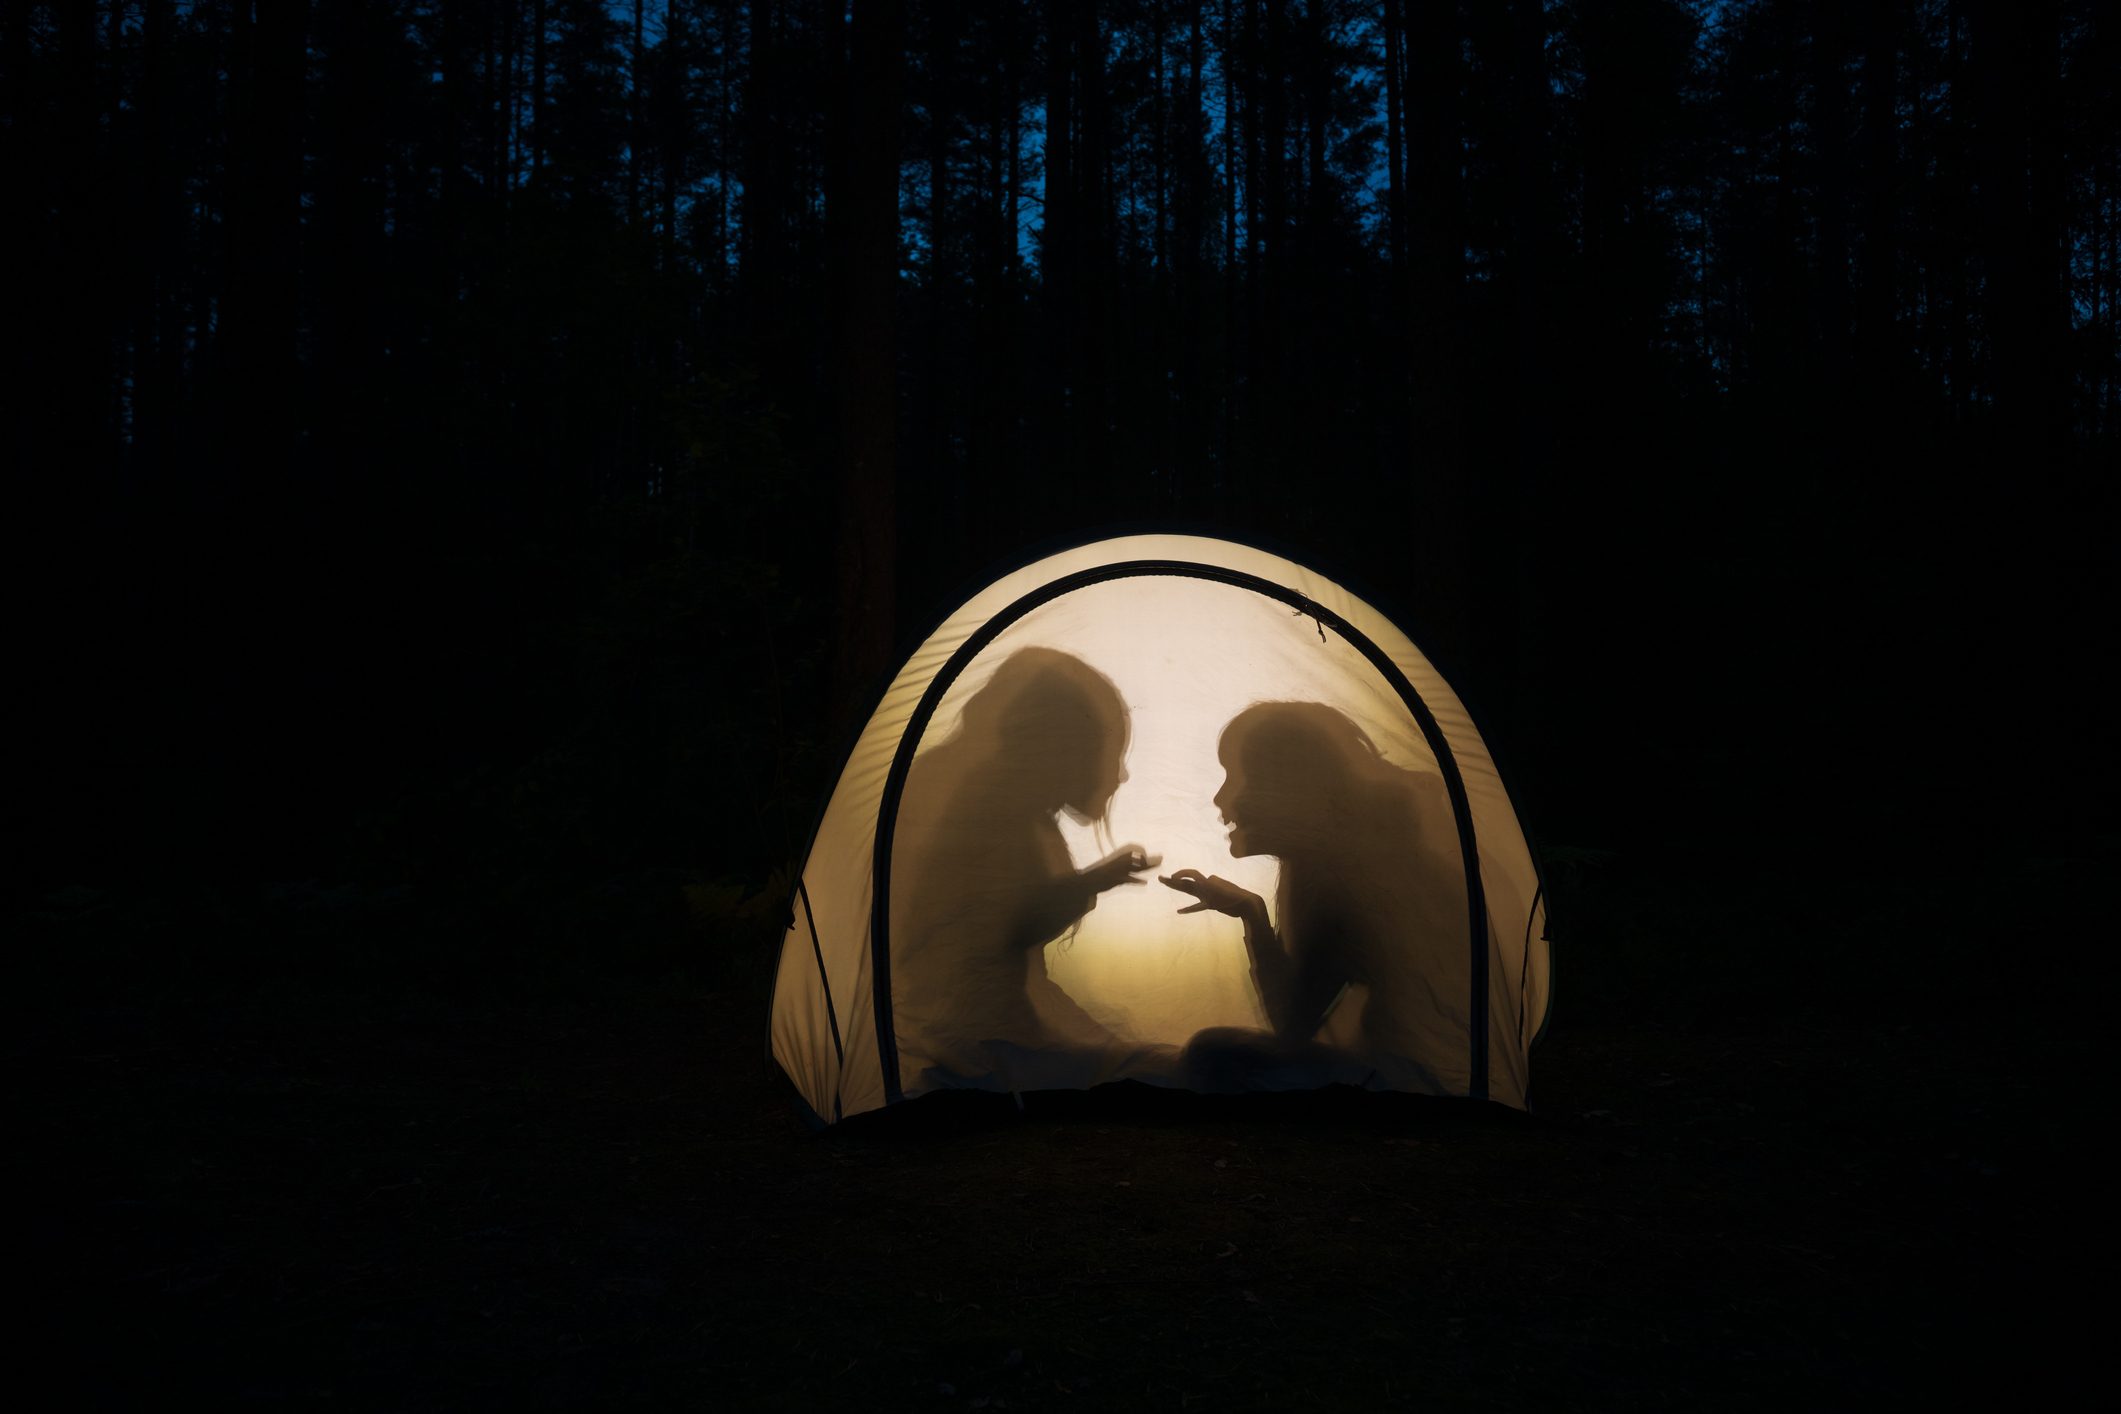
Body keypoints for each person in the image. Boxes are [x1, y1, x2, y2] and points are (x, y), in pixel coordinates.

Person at [1158, 701, 1467, 1091]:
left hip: (1407, 1084)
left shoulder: (1334, 880)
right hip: (1420, 1075)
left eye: (1235, 776)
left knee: (1208, 1052)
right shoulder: (1360, 857)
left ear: (1284, 787)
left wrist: (1252, 916)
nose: (1221, 799)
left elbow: (1292, 1028)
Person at [890, 647, 1161, 1088]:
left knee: (1140, 1057)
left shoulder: (973, 788)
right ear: (1068, 745)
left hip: (947, 1020)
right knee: (1158, 1070)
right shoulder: (993, 804)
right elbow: (1010, 926)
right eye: (1112, 751)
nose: (1122, 774)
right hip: (973, 1038)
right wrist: (1093, 881)